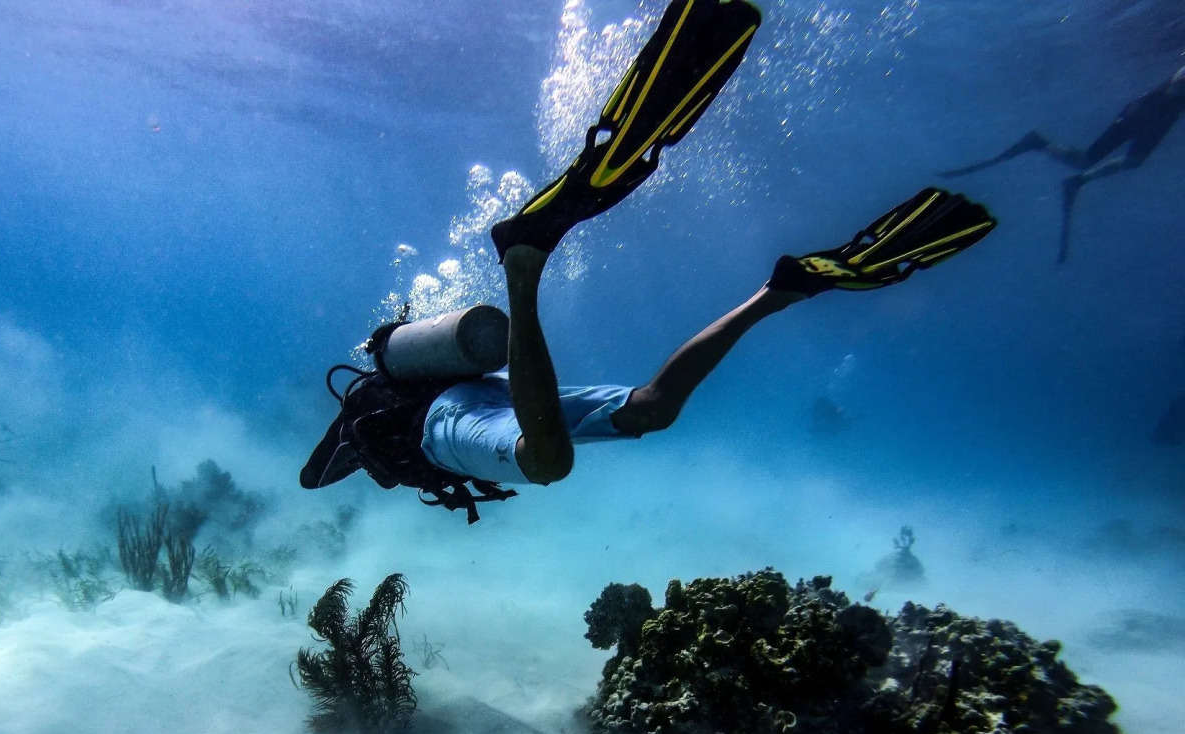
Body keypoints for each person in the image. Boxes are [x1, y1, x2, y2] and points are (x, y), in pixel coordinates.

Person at [302, 0, 997, 522]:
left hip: (445, 427)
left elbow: (313, 478)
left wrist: (349, 449)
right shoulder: (383, 392)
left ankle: (524, 266)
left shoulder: (381, 419)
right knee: (650, 410)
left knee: (546, 465)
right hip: (491, 386)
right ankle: (776, 293)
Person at [941, 66, 1185, 263]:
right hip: (1146, 114)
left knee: (1127, 162)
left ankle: (1073, 175)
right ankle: (1042, 146)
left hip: (1157, 119)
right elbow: (1175, 87)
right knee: (1090, 160)